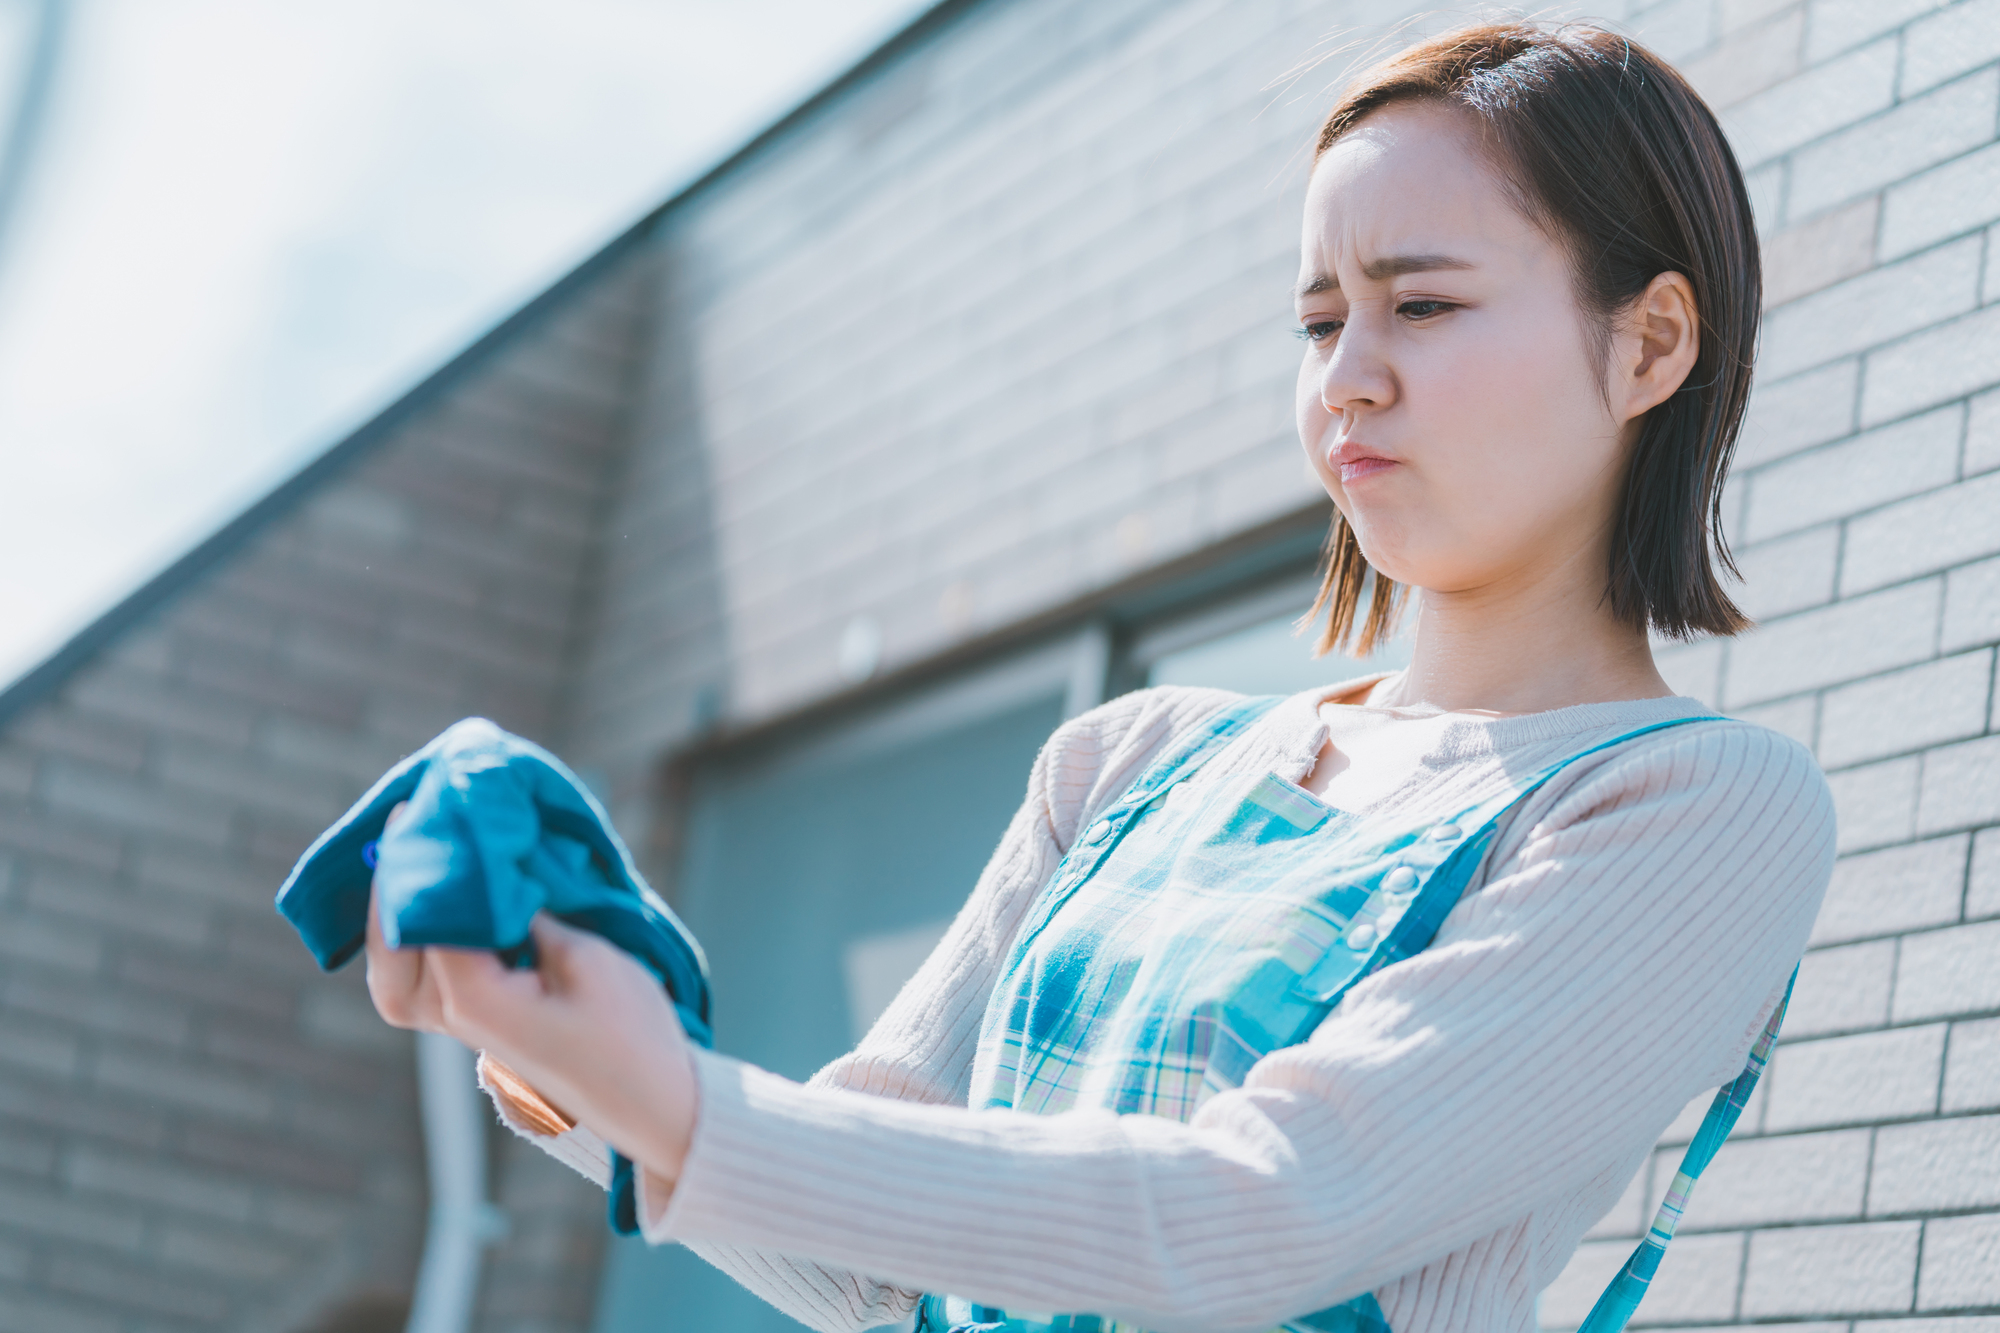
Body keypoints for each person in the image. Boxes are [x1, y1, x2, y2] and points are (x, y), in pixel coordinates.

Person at [362, 21, 1835, 1333]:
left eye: (1422, 306)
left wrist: (679, 1096)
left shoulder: (1692, 804)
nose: (1345, 379)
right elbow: (875, 1267)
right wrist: (558, 1040)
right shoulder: (1136, 756)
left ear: (1648, 345)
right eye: (1321, 321)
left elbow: (1261, 1209)